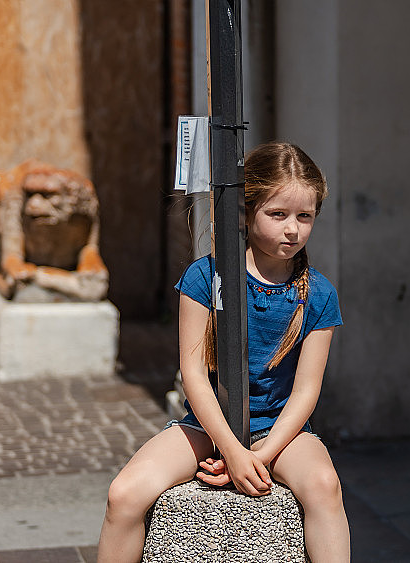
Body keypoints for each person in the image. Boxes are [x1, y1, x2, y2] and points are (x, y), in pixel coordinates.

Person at [97, 142, 350, 562]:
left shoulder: (320, 295)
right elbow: (193, 373)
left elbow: (306, 392)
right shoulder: (204, 276)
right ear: (248, 210)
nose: (293, 229)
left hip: (278, 432)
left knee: (325, 487)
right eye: (278, 214)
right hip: (206, 425)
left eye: (305, 217)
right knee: (124, 494)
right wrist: (231, 450)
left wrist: (259, 456)